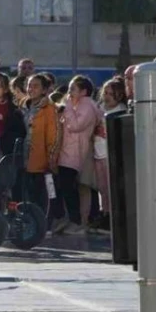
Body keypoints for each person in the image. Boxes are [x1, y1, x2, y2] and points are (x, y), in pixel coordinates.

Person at [57, 76, 100, 234]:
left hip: (75, 152)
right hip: (68, 151)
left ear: (84, 91)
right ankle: (72, 219)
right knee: (66, 186)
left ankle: (77, 221)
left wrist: (67, 107)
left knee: (70, 186)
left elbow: (76, 125)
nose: (69, 92)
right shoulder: (77, 105)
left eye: (73, 89)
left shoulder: (87, 105)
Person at [21, 73, 59, 213]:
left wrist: (51, 159)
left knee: (45, 194)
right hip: (24, 159)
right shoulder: (23, 105)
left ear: (44, 90)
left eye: (35, 86)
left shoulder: (49, 108)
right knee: (27, 194)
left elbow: (53, 136)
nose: (31, 89)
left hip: (42, 162)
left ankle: (44, 222)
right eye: (29, 86)